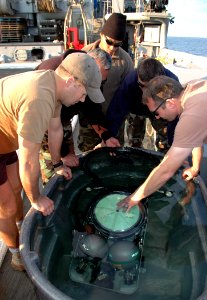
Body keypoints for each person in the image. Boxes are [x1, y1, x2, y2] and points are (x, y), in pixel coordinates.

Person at [0, 52, 103, 271]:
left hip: (5, 138)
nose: (83, 100)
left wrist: (57, 164)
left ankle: (20, 226)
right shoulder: (38, 98)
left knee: (17, 187)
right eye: (84, 93)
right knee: (5, 206)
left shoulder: (52, 85)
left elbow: (55, 129)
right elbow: (28, 161)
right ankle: (15, 254)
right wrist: (36, 198)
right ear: (71, 81)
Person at [118, 75, 207, 212]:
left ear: (171, 103)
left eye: (157, 112)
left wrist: (134, 198)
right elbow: (197, 135)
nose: (157, 117)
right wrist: (195, 168)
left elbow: (166, 171)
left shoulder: (190, 117)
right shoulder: (193, 88)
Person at [36, 48, 112, 184]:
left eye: (102, 81)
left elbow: (93, 109)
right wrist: (61, 155)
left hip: (61, 118)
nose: (98, 83)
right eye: (97, 79)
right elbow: (44, 127)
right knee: (53, 169)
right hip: (42, 124)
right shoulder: (49, 75)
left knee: (71, 161)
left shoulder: (93, 78)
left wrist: (105, 135)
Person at [79, 12, 134, 151]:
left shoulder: (125, 61)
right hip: (88, 116)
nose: (112, 48)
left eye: (117, 44)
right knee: (89, 154)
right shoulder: (84, 54)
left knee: (113, 154)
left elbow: (126, 95)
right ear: (102, 35)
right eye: (109, 42)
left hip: (113, 117)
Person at [105, 57, 179, 151]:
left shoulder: (171, 83)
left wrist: (174, 144)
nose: (145, 91)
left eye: (150, 87)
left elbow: (175, 116)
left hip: (161, 111)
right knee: (134, 142)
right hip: (136, 109)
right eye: (141, 86)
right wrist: (109, 136)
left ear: (161, 80)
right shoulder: (130, 81)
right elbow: (116, 110)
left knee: (167, 143)